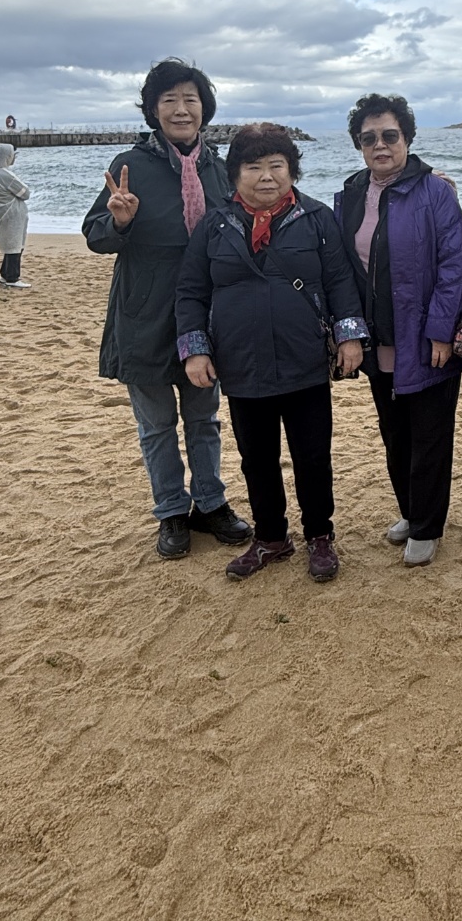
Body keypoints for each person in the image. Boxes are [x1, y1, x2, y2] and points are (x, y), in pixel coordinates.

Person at [176, 124, 367, 583]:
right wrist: (195, 350)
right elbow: (191, 291)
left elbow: (340, 281)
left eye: (276, 165)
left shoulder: (316, 218)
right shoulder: (214, 225)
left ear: (292, 170)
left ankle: (320, 535)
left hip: (304, 360)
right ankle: (270, 537)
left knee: (312, 455)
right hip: (241, 362)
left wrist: (349, 337)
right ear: (235, 174)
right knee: (256, 458)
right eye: (254, 167)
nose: (266, 176)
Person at [83, 58, 251, 560]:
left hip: (204, 315)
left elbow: (251, 220)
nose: (181, 109)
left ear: (204, 109)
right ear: (153, 110)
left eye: (190, 100)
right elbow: (95, 236)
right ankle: (172, 511)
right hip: (144, 314)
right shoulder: (129, 167)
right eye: (169, 100)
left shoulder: (219, 169)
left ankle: (211, 503)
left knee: (205, 419)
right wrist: (120, 221)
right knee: (156, 425)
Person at [335, 93, 462, 567]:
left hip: (426, 338)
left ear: (407, 138)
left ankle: (428, 526)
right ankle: (411, 512)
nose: (380, 145)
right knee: (394, 433)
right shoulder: (351, 193)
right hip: (379, 338)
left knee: (430, 435)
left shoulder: (436, 191)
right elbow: (343, 268)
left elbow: (454, 265)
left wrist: (441, 330)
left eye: (390, 135)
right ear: (359, 145)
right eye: (368, 138)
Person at [0, 144, 29, 288]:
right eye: (12, 155)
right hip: (13, 214)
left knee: (9, 244)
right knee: (15, 245)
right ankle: (12, 277)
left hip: (0, 213)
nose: (14, 158)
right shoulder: (6, 175)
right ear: (7, 156)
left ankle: (4, 274)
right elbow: (25, 193)